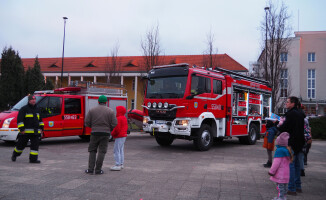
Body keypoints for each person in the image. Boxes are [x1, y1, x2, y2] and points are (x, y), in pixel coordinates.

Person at [278, 96, 305, 195]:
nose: (286, 103)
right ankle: (298, 186)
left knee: (291, 165)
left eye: (288, 102)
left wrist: (278, 125)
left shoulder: (290, 114)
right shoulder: (301, 114)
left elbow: (285, 128)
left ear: (293, 103)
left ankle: (291, 188)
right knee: (297, 165)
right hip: (300, 141)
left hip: (292, 142)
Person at [85, 95, 117, 175]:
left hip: (94, 133)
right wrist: (109, 129)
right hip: (105, 134)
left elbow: (87, 122)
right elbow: (114, 123)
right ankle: (98, 170)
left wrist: (93, 126)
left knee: (92, 150)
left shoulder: (92, 110)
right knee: (102, 151)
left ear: (98, 101)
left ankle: (90, 169)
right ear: (106, 102)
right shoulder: (110, 111)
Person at [11, 95, 44, 163]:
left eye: (34, 99)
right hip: (25, 132)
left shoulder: (37, 109)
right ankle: (15, 154)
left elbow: (40, 120)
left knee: (35, 146)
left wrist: (41, 128)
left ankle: (33, 159)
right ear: (29, 100)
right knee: (20, 145)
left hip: (35, 132)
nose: (34, 100)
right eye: (32, 99)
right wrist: (22, 129)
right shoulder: (24, 109)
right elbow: (20, 120)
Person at [269, 132, 293, 200]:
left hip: (280, 173)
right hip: (286, 173)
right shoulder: (287, 150)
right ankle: (283, 197)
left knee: (280, 187)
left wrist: (271, 171)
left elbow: (276, 163)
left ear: (279, 142)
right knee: (284, 186)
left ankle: (281, 198)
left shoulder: (279, 151)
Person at [110, 106, 128, 171]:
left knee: (116, 150)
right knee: (121, 150)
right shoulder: (124, 118)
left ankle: (118, 164)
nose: (116, 111)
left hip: (119, 136)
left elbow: (117, 129)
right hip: (123, 135)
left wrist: (112, 133)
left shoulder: (118, 118)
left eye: (117, 110)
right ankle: (121, 164)